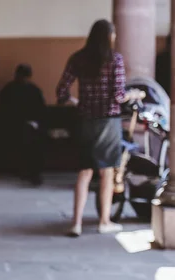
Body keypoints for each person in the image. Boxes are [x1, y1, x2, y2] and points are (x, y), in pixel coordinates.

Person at [56, 19, 141, 237]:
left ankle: (76, 223)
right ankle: (104, 220)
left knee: (84, 172)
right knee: (106, 173)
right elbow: (119, 96)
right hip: (108, 121)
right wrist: (135, 95)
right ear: (109, 37)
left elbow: (61, 90)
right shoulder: (115, 60)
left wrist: (77, 102)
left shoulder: (77, 59)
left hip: (85, 120)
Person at [0, 64, 47, 185]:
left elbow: (41, 109)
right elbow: (4, 110)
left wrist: (35, 122)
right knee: (28, 138)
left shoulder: (33, 90)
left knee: (34, 139)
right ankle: (31, 172)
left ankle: (33, 172)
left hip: (30, 124)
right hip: (14, 124)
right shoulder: (9, 89)